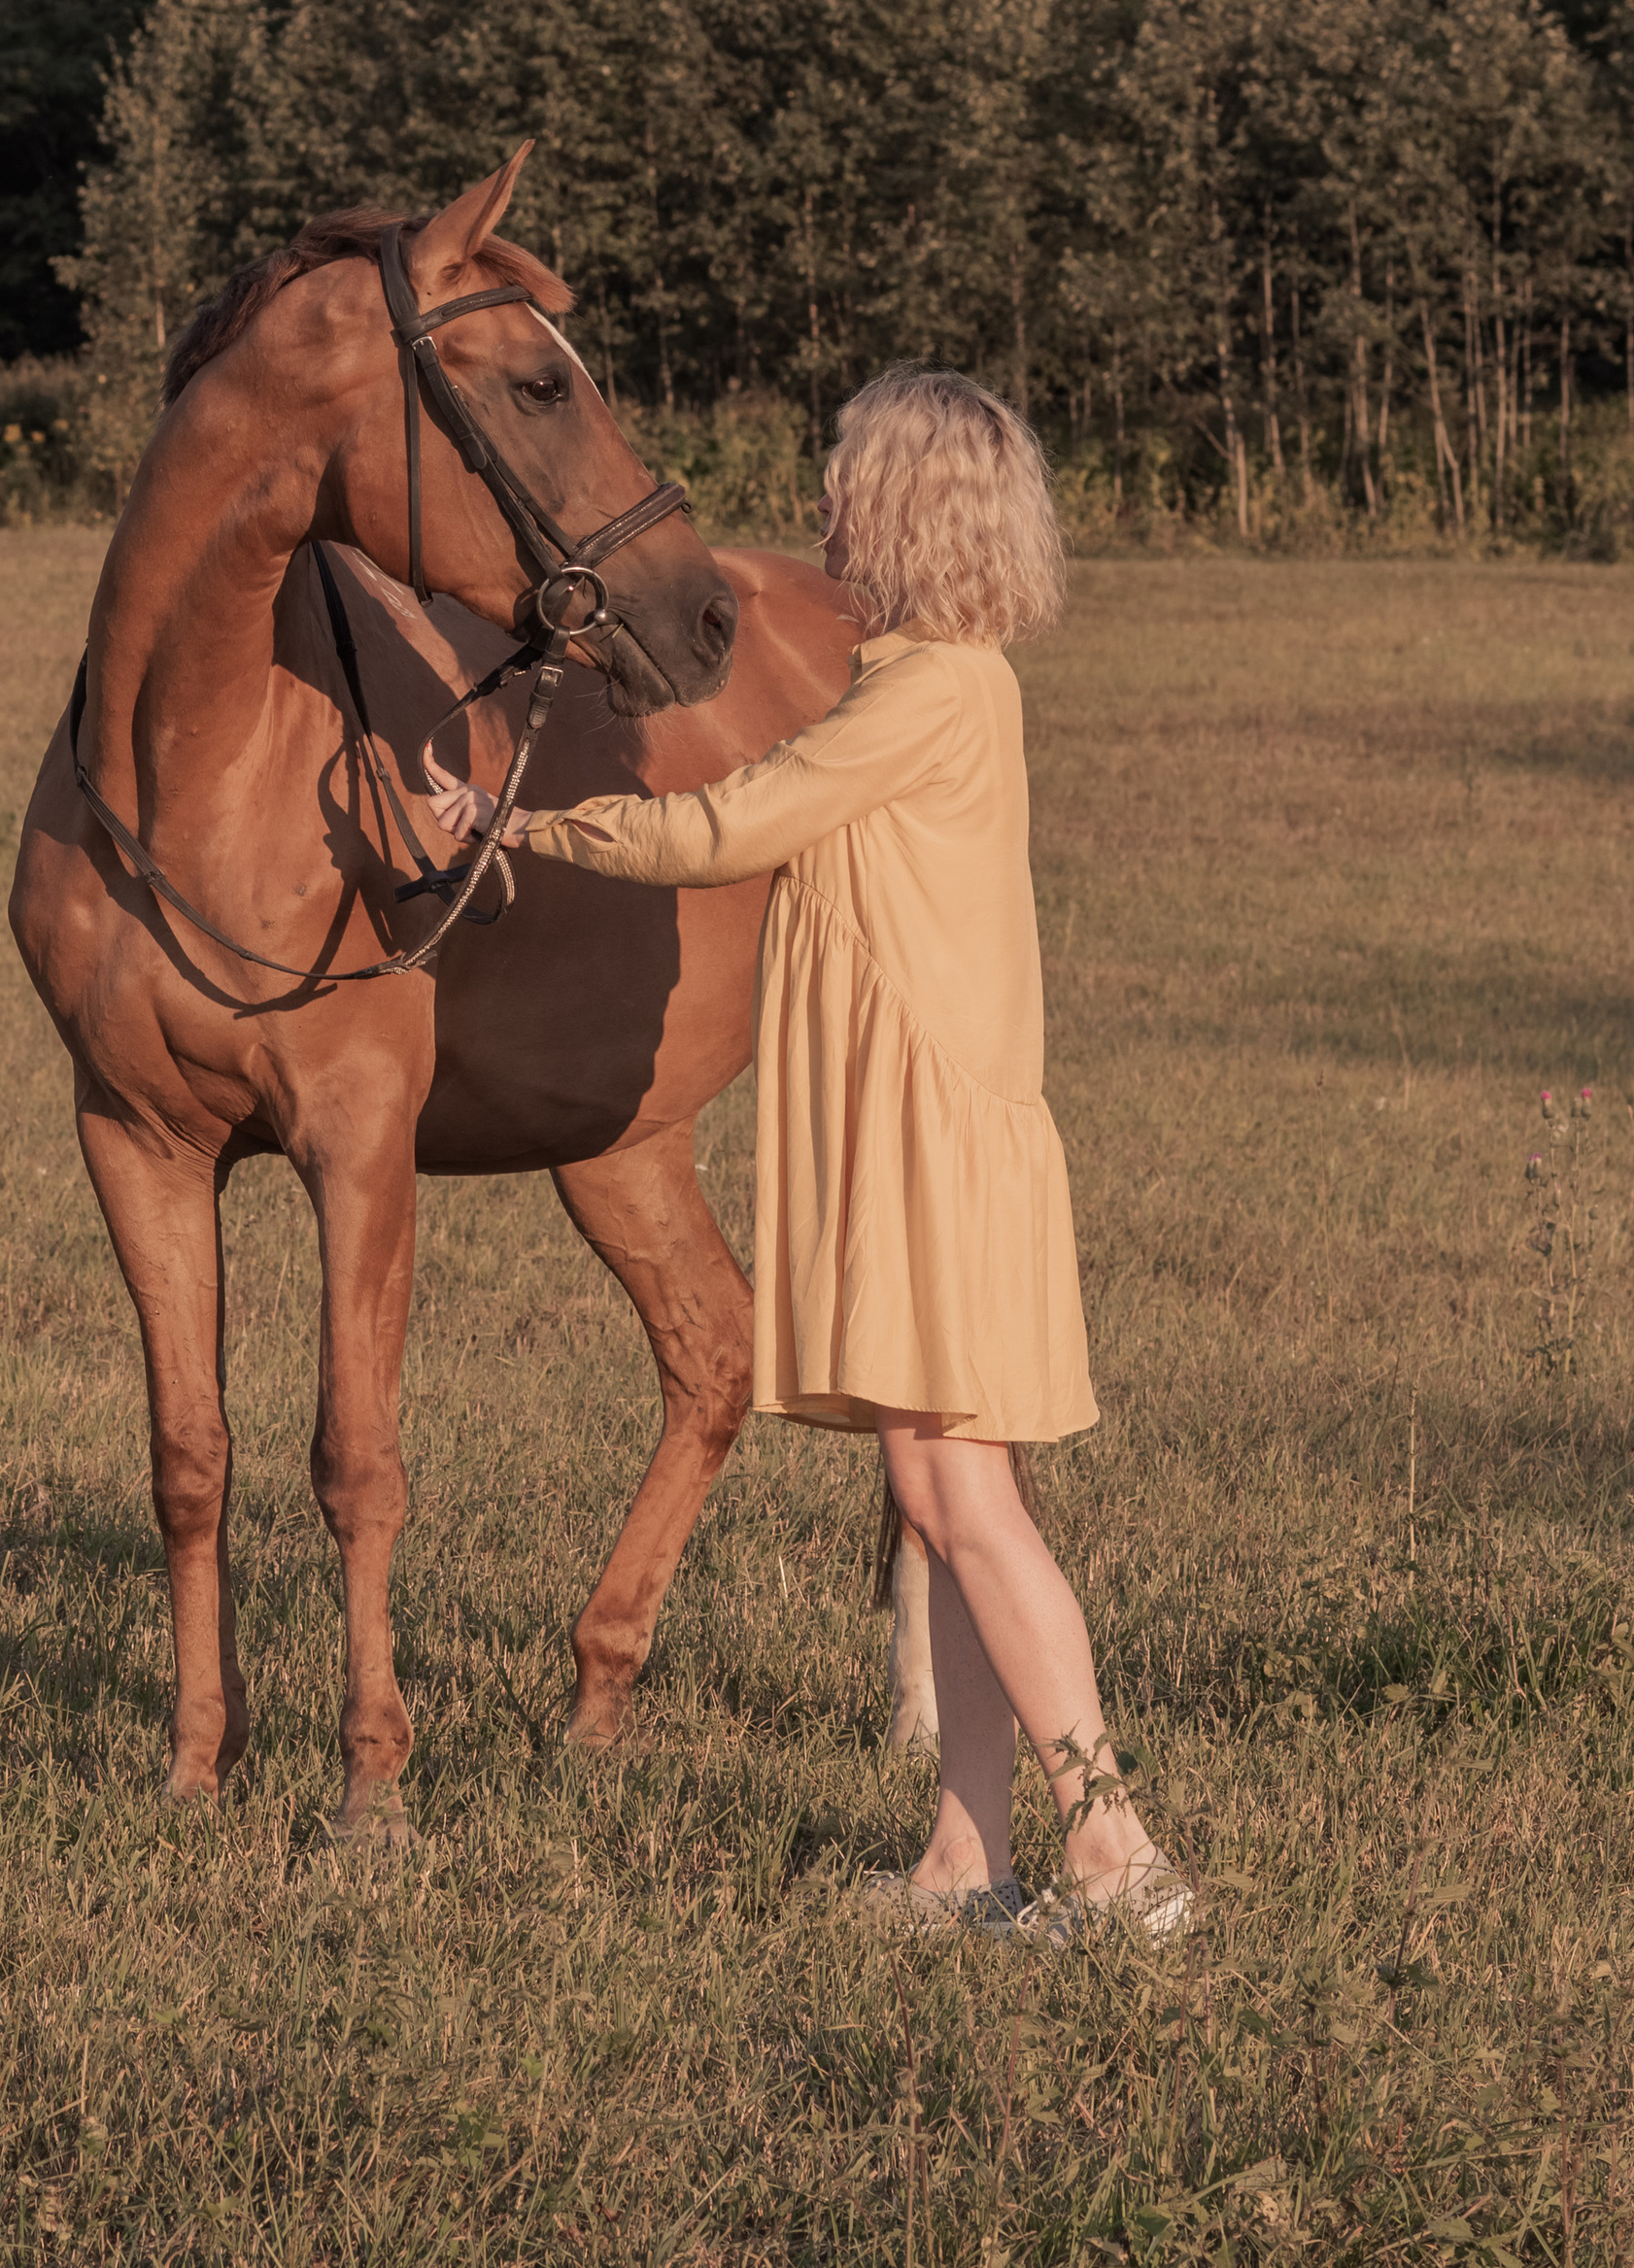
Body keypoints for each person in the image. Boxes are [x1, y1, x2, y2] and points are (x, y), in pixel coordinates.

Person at [426, 366, 1190, 1945]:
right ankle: (962, 1862)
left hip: (933, 1144)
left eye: (846, 480)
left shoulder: (926, 697)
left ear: (907, 509)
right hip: (927, 1132)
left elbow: (722, 826)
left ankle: (1114, 1848)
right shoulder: (932, 675)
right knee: (944, 1485)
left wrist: (517, 831)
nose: (824, 502)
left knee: (966, 1499)